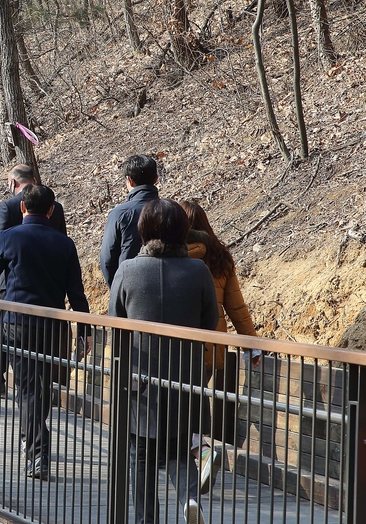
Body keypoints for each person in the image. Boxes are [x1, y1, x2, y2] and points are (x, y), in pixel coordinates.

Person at [110, 199, 218, 524]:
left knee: (140, 456)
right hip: (185, 378)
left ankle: (147, 520)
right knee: (179, 449)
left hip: (139, 384)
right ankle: (189, 498)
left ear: (144, 230)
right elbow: (210, 320)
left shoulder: (128, 269)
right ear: (181, 231)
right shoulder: (199, 270)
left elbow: (115, 320)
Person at [0, 184, 91, 481]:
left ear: (22, 208)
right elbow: (76, 293)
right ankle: (33, 442)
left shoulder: (8, 238)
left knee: (29, 389)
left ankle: (37, 452)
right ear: (51, 211)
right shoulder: (65, 244)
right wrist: (85, 330)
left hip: (16, 325)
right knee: (39, 388)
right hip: (52, 328)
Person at [180, 199, 261, 494]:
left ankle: (199, 451)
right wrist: (251, 345)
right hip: (214, 347)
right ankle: (197, 451)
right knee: (192, 402)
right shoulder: (220, 257)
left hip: (182, 347)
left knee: (180, 405)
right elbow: (236, 305)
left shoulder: (176, 256)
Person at [0, 165, 67, 397]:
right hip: (48, 284)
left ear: (13, 183)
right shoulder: (56, 207)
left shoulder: (9, 206)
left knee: (6, 329)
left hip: (12, 281)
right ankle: (36, 387)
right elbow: (62, 240)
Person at [100, 154, 160, 289]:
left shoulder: (120, 214)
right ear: (156, 179)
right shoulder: (173, 211)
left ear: (129, 181)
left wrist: (118, 290)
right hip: (171, 286)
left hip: (131, 287)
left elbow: (107, 259)